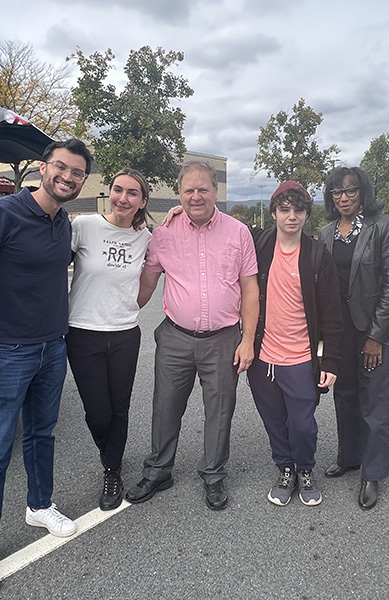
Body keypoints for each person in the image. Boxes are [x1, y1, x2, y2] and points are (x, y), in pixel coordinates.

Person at [0, 139, 93, 597]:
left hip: (52, 348)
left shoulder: (62, 221)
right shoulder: (0, 216)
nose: (67, 177)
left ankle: (39, 505)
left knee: (41, 434)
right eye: (61, 167)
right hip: (5, 352)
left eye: (76, 173)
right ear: (43, 167)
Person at [125, 160, 259, 511]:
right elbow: (147, 283)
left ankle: (214, 475)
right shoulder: (164, 234)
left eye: (203, 189)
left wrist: (248, 340)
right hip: (175, 338)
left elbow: (250, 289)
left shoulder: (238, 233)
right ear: (179, 193)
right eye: (188, 190)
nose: (195, 196)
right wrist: (116, 315)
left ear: (216, 192)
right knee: (165, 407)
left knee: (219, 410)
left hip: (224, 339)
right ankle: (158, 471)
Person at [248, 181, 343, 507]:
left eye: (298, 210)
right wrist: (178, 210)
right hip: (263, 359)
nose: (291, 216)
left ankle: (305, 469)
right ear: (274, 211)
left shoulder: (317, 255)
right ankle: (285, 468)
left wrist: (330, 360)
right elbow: (218, 224)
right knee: (274, 420)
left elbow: (332, 312)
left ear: (306, 213)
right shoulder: (260, 244)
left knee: (302, 425)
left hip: (302, 358)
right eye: (284, 209)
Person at [66, 168, 152, 511]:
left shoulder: (146, 237)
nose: (123, 198)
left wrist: (130, 304)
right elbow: (51, 264)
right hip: (82, 332)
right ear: (109, 192)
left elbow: (149, 280)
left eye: (133, 193)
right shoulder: (84, 226)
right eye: (118, 190)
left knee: (120, 408)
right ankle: (110, 449)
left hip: (124, 333)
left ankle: (111, 469)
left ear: (143, 202)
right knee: (97, 412)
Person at [319, 166, 389, 510]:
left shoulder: (382, 227)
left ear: (363, 193)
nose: (343, 198)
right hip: (340, 332)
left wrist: (375, 337)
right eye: (337, 193)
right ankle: (350, 456)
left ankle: (372, 472)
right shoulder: (326, 233)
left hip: (373, 331)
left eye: (350, 191)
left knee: (376, 403)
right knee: (345, 395)